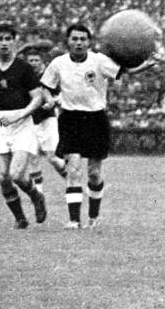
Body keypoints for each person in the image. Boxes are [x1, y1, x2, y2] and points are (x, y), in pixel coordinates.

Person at [40, 23, 157, 229]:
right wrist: (49, 99)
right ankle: (74, 221)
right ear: (68, 41)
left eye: (83, 39)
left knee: (94, 173)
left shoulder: (99, 61)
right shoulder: (58, 63)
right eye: (75, 39)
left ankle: (93, 217)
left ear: (89, 42)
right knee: (74, 168)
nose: (78, 43)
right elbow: (46, 87)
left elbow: (124, 71)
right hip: (70, 119)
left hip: (96, 119)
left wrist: (146, 64)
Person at [0, 23, 47, 229]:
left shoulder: (24, 68)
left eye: (8, 39)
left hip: (22, 122)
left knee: (16, 174)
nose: (4, 43)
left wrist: (22, 114)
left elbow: (38, 98)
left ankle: (36, 196)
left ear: (15, 41)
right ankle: (20, 218)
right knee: (2, 176)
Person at [19, 42, 68, 194]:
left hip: (48, 118)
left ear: (42, 62)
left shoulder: (49, 76)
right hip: (31, 120)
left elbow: (62, 94)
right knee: (33, 157)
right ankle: (39, 193)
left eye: (36, 60)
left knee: (53, 157)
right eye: (31, 61)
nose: (33, 63)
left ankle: (71, 179)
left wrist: (54, 102)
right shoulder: (25, 78)